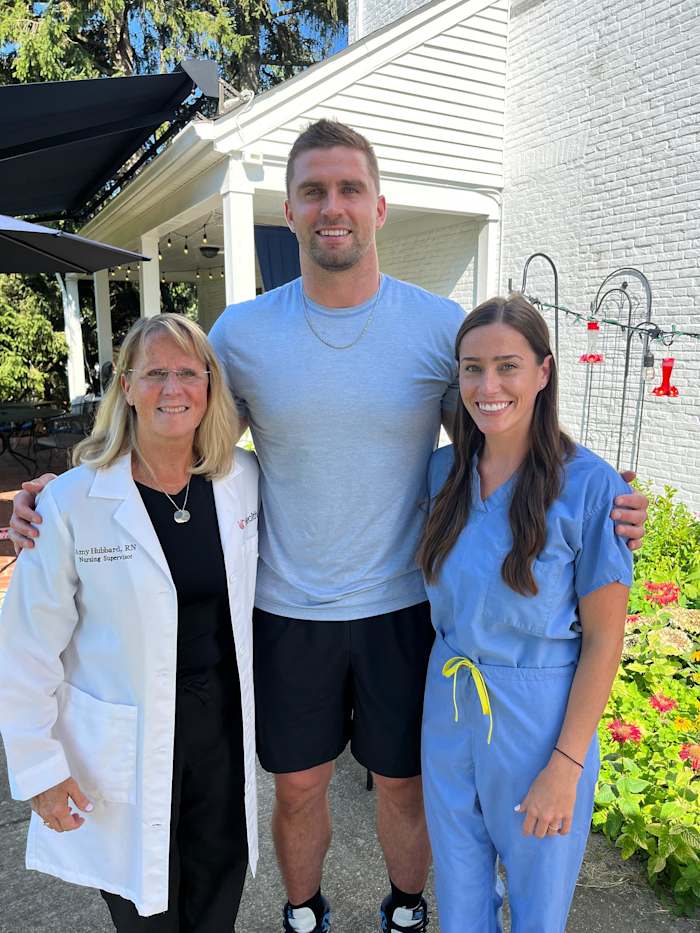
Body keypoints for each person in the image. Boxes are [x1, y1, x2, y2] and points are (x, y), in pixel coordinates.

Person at [9, 120, 648, 933]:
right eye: (313, 190)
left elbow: (506, 421)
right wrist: (67, 485)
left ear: (378, 207)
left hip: (401, 605)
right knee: (299, 785)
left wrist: (599, 487)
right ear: (290, 209)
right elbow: (171, 417)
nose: (332, 206)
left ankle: (406, 907)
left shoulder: (433, 326)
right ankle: (304, 909)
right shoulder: (241, 334)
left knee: (405, 785)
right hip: (287, 608)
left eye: (349, 189)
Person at [0, 314, 259, 931]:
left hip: (220, 734)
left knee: (218, 901)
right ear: (126, 385)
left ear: (209, 384)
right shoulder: (71, 502)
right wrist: (40, 768)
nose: (174, 389)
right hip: (123, 743)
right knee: (145, 913)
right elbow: (25, 650)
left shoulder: (241, 481)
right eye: (156, 374)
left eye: (188, 373)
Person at [417, 296, 633, 932]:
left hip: (539, 723)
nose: (488, 387)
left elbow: (603, 641)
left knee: (537, 911)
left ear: (544, 371)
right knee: (459, 897)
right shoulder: (442, 474)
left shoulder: (593, 489)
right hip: (450, 703)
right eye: (472, 368)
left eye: (507, 366)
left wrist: (565, 766)